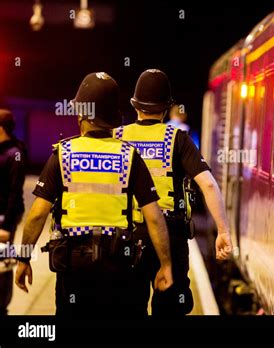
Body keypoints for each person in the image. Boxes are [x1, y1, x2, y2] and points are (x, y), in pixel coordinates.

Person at [14, 72, 173, 317]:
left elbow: (37, 215)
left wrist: (24, 259)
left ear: (82, 115)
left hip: (74, 269)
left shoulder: (63, 154)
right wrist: (166, 264)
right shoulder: (130, 157)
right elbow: (154, 217)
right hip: (120, 268)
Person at [114, 69, 232, 317]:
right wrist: (223, 230)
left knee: (128, 306)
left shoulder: (118, 137)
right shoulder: (177, 139)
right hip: (170, 238)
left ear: (135, 106)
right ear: (166, 108)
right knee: (170, 309)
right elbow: (208, 184)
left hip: (127, 236)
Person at [0, 109, 26, 315]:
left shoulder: (14, 153)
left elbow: (14, 193)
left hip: (4, 220)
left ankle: (2, 306)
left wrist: (7, 227)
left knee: (2, 266)